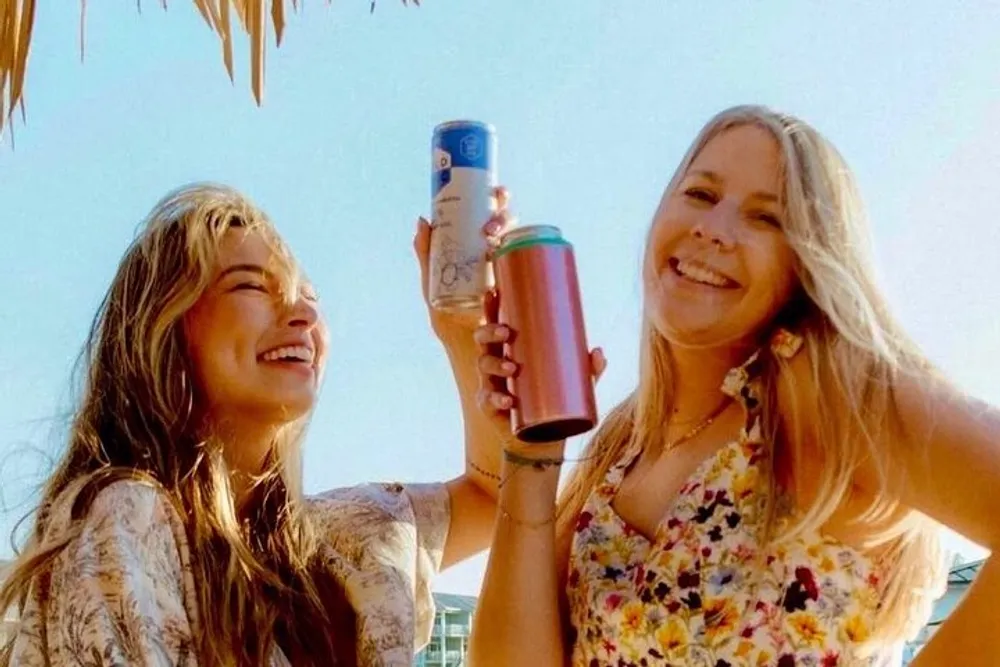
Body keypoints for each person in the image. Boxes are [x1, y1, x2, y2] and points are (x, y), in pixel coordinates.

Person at [467, 105, 1000, 666]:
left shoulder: (819, 391)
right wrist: (529, 457)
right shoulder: (621, 445)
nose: (712, 229)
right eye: (700, 194)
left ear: (806, 261)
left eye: (765, 218)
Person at [0, 183, 507, 667]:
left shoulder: (340, 540)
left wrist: (463, 330)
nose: (303, 312)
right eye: (250, 285)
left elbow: (500, 498)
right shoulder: (128, 518)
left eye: (309, 295)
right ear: (163, 328)